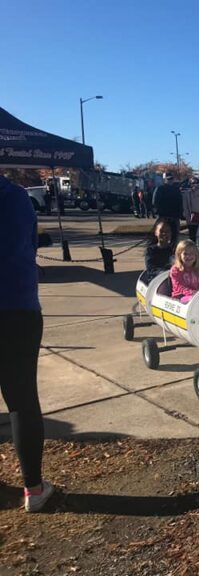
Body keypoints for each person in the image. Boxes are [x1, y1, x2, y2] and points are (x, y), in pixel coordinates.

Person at [0, 175, 54, 512]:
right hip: (17, 308)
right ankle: (33, 488)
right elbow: (26, 246)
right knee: (21, 400)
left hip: (16, 306)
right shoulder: (16, 197)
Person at [152, 172, 183, 246]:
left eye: (171, 179)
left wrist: (180, 214)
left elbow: (180, 203)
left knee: (174, 237)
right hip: (163, 216)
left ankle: (172, 252)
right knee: (160, 236)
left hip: (174, 217)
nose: (170, 180)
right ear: (164, 179)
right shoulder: (160, 188)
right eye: (168, 179)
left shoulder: (177, 190)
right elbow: (155, 202)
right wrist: (159, 213)